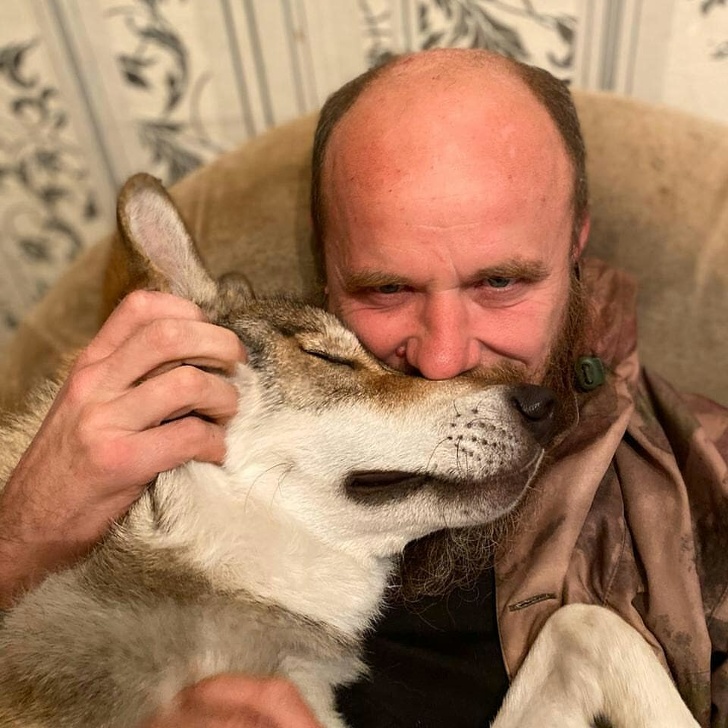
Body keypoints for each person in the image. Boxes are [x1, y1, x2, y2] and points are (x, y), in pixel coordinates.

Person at [0, 48, 726, 727]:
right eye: (387, 288)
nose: (442, 358)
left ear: (575, 248)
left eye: (502, 281)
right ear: (327, 270)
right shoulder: (171, 481)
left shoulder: (705, 477)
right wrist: (23, 536)